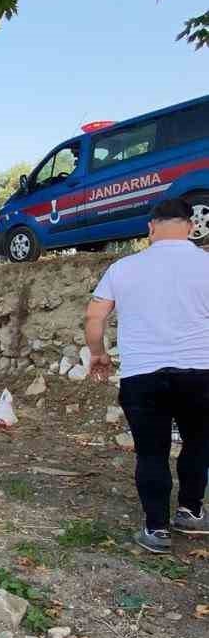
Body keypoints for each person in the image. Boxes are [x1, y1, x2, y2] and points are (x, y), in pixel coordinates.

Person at [85, 197, 209, 552]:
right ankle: (190, 511)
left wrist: (98, 354)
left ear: (151, 228)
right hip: (201, 372)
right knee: (199, 444)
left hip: (143, 375)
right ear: (190, 227)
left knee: (152, 453)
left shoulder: (123, 268)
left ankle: (156, 530)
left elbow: (94, 318)